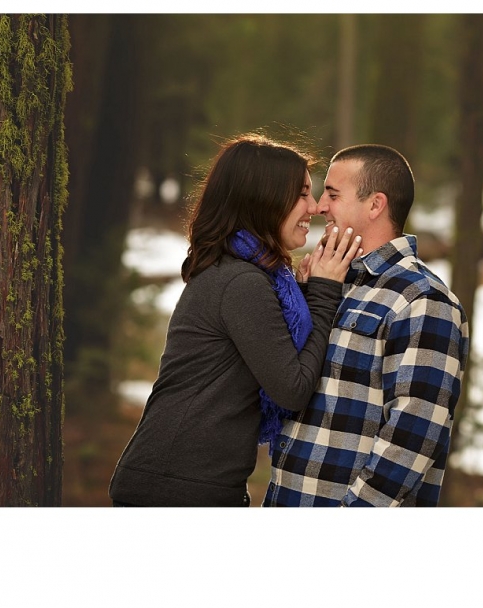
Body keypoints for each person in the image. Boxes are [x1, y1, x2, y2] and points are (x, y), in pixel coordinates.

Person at [108, 133, 363, 507]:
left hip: (188, 481)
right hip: (177, 487)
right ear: (265, 200)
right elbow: (291, 387)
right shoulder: (241, 282)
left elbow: (270, 347)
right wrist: (324, 295)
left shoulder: (244, 274)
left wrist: (309, 296)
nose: (313, 207)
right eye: (302, 193)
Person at [264, 144, 470, 507]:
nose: (319, 206)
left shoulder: (422, 299)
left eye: (332, 194)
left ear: (375, 205)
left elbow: (413, 435)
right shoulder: (331, 283)